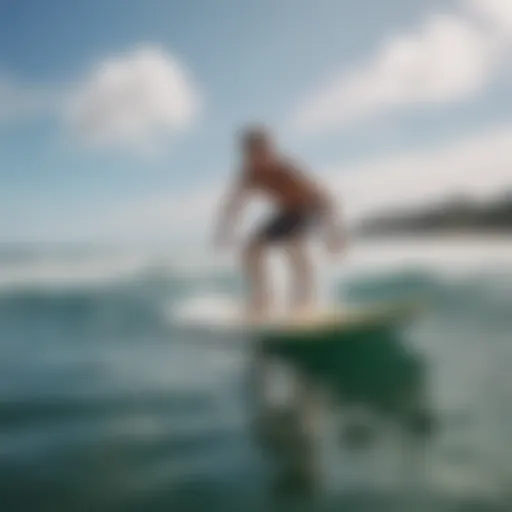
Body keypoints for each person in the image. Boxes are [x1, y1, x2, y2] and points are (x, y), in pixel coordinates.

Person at [213, 126, 344, 322]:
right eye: (254, 153)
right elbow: (234, 203)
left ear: (270, 150)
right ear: (247, 155)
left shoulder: (286, 170)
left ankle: (305, 305)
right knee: (251, 250)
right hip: (286, 213)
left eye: (265, 151)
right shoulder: (249, 175)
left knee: (294, 249)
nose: (261, 158)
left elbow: (324, 198)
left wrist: (334, 233)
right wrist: (225, 229)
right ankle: (262, 302)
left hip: (311, 209)